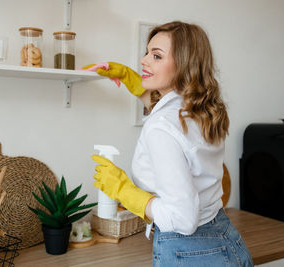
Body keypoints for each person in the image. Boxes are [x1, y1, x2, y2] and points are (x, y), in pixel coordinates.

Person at [87, 21, 253, 266]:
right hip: (225, 240)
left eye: (156, 56)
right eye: (147, 53)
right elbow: (169, 120)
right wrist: (130, 79)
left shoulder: (162, 127)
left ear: (184, 65)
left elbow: (182, 219)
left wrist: (126, 192)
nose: (144, 61)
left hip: (189, 250)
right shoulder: (202, 109)